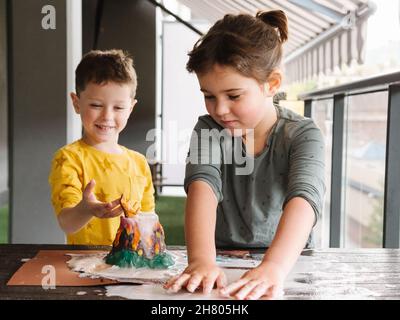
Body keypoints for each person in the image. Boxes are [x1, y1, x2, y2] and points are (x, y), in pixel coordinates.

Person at [164, 10, 325, 300]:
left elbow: (305, 199)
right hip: (220, 261)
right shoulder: (208, 128)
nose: (220, 109)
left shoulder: (303, 134)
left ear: (272, 84)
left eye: (234, 96)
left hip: (289, 265)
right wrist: (201, 259)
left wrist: (274, 266)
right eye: (209, 96)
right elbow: (202, 186)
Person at [49, 49, 155, 245]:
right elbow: (67, 223)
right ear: (77, 103)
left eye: (118, 107)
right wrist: (86, 209)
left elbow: (149, 222)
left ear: (130, 108)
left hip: (131, 268)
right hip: (85, 267)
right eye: (96, 105)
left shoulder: (139, 163)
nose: (107, 116)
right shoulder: (69, 158)